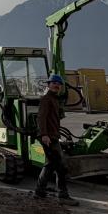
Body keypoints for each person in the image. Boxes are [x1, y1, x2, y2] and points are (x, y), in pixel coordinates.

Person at [33, 74, 79, 206]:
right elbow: (41, 118)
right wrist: (44, 134)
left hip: (53, 136)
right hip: (48, 137)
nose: (56, 85)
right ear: (48, 85)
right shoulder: (46, 99)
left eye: (58, 84)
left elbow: (57, 116)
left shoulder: (55, 99)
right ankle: (62, 195)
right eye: (53, 83)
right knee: (60, 166)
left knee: (50, 165)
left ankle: (40, 192)